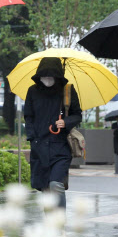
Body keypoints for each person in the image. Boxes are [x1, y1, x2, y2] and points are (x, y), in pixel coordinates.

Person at [24, 57, 82, 209]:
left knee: (56, 185)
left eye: (51, 76)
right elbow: (28, 117)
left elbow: (77, 114)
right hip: (39, 147)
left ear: (58, 76)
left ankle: (59, 225)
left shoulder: (67, 91)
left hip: (61, 147)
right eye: (44, 76)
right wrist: (32, 138)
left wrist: (66, 122)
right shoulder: (32, 91)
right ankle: (51, 226)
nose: (48, 79)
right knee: (46, 190)